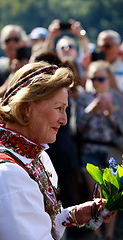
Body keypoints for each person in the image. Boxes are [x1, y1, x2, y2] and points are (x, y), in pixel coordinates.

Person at [0, 61, 114, 240]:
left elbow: (42, 220)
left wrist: (74, 214)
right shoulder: (8, 174)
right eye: (59, 109)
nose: (64, 120)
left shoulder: (32, 155)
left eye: (66, 110)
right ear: (26, 108)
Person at [76, 60, 122, 240]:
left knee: (113, 195)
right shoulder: (84, 98)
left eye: (100, 78)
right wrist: (90, 111)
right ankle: (96, 233)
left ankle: (109, 235)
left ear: (108, 79)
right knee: (94, 194)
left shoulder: (118, 98)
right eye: (93, 78)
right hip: (90, 149)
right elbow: (76, 128)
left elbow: (120, 130)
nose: (96, 82)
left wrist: (111, 114)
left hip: (112, 152)